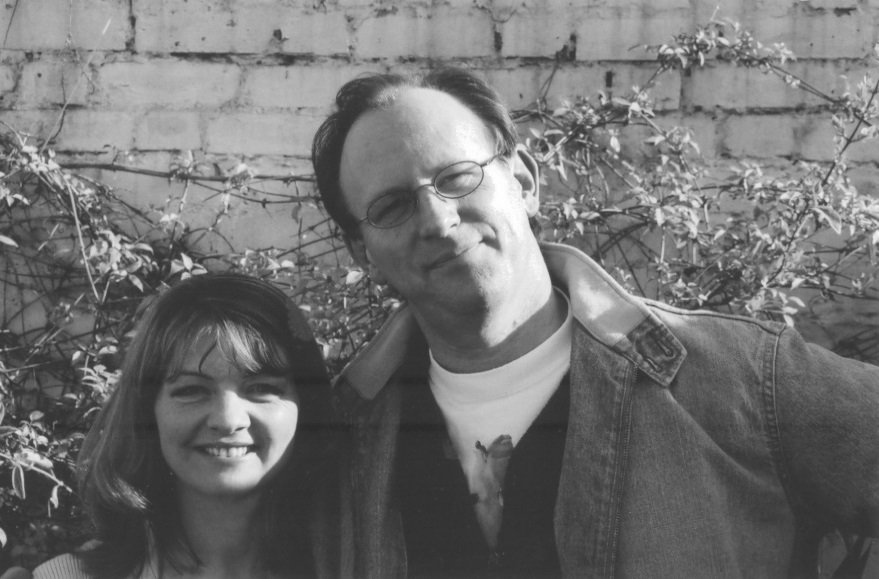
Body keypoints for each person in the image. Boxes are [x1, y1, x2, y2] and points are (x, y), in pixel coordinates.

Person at [311, 67, 879, 577]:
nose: (437, 220)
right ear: (362, 250)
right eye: (391, 207)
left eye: (457, 177)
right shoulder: (340, 441)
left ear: (525, 182)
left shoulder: (741, 380)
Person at [29, 274, 339, 578]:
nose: (228, 420)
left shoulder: (354, 567)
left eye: (261, 388)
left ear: (306, 407)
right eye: (192, 390)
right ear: (147, 412)